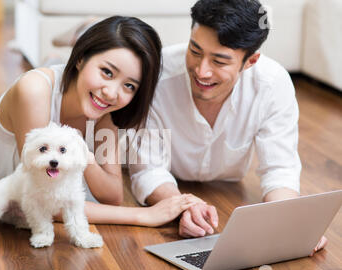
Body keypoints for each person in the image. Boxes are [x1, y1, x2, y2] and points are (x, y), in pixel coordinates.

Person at [0, 16, 197, 227]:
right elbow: (43, 202)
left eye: (130, 85)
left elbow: (112, 194)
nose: (112, 91)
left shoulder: (105, 110)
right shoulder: (34, 90)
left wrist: (84, 152)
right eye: (107, 71)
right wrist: (144, 217)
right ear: (80, 58)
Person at [127, 0, 327, 254]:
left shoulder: (272, 84)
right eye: (195, 51)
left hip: (227, 183)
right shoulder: (158, 75)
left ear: (251, 61)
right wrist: (183, 206)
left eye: (219, 62)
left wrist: (288, 221)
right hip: (161, 173)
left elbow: (280, 169)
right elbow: (148, 170)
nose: (201, 71)